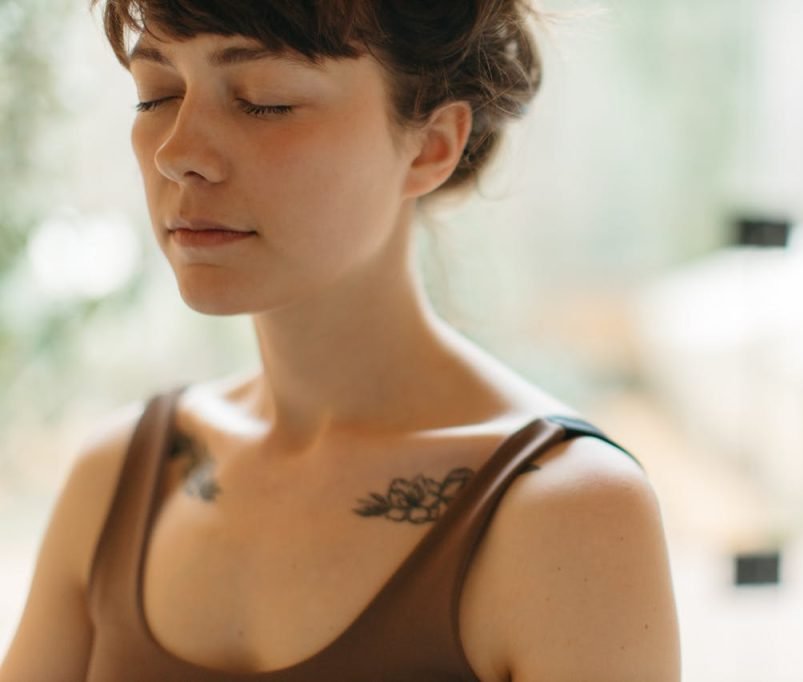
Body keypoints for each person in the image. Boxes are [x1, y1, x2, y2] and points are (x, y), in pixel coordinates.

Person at [0, 1, 681, 679]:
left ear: (432, 145)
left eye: (263, 102)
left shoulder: (564, 515)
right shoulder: (119, 479)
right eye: (158, 95)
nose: (178, 153)